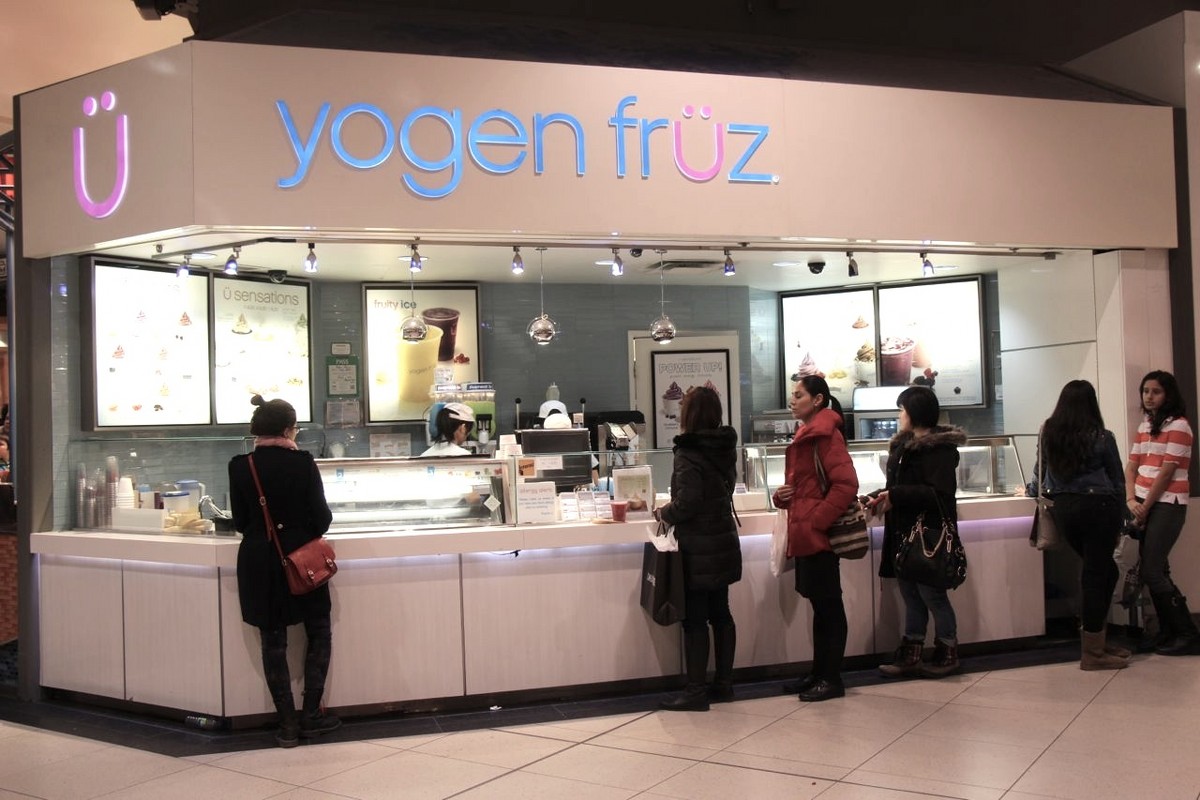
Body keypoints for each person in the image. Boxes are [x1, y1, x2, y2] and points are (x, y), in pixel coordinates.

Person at [228, 395, 341, 747]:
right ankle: (311, 715)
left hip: (259, 563)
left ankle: (286, 723)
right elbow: (322, 518)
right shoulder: (303, 462)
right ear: (289, 429)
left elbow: (241, 521)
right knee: (318, 630)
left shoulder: (240, 466)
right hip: (302, 559)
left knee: (272, 639)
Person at [1025, 380, 1128, 670]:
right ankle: (1092, 653)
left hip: (1065, 510)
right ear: (1092, 405)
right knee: (1096, 574)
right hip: (1100, 508)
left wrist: (1032, 490)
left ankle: (1097, 640)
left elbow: (1040, 469)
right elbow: (1117, 480)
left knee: (1105, 571)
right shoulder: (1102, 437)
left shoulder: (1049, 433)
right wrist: (1123, 518)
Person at [869, 387, 967, 678]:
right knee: (911, 593)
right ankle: (911, 651)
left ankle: (947, 650)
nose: (899, 415)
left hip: (928, 535)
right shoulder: (905, 447)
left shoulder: (939, 450)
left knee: (932, 594)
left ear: (914, 412)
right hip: (904, 531)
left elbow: (938, 493)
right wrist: (879, 496)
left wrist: (895, 495)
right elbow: (899, 487)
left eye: (902, 410)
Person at [655, 386, 741, 711]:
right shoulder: (725, 447)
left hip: (697, 547)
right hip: (722, 540)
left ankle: (695, 692)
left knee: (694, 620)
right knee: (721, 614)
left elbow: (688, 503)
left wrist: (664, 512)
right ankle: (724, 684)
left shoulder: (687, 452)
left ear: (688, 415)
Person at [772, 375, 858, 701]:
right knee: (820, 607)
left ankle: (831, 678)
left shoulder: (826, 435)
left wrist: (817, 521)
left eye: (799, 395)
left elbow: (846, 484)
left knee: (828, 606)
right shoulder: (807, 433)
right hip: (806, 533)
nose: (792, 401)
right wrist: (783, 497)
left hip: (818, 536)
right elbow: (806, 487)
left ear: (818, 399)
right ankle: (819, 672)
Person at [1125, 370, 1199, 656]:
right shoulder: (1145, 424)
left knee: (1152, 570)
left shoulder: (1180, 425)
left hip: (1168, 502)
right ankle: (1168, 631)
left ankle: (1186, 632)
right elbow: (1132, 465)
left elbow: (1167, 472)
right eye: (1145, 391)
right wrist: (1131, 499)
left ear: (1168, 394)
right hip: (1143, 501)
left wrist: (1144, 507)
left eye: (1156, 391)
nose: (1149, 397)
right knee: (1157, 569)